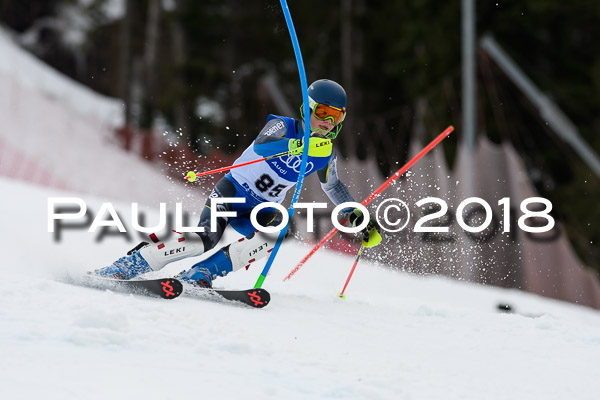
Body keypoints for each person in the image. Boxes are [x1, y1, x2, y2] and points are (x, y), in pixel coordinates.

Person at [94, 79, 382, 287]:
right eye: (322, 113)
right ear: (308, 108)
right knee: (205, 239)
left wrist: (355, 212)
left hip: (264, 207)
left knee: (275, 234)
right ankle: (132, 264)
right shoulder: (283, 126)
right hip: (233, 192)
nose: (327, 122)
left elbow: (332, 186)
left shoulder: (325, 153)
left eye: (335, 116)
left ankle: (202, 273)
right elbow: (263, 145)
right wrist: (296, 145)